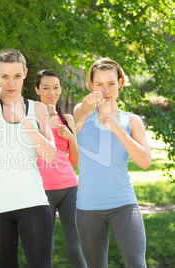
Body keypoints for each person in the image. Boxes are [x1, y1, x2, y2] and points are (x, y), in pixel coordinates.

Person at [0, 49, 56, 268]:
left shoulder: (38, 108)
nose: (11, 83)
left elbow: (49, 154)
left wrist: (24, 120)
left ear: (26, 73)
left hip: (33, 203)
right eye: (4, 77)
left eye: (17, 76)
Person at [74, 58, 151, 268]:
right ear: (91, 86)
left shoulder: (132, 120)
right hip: (88, 208)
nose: (105, 89)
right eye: (99, 84)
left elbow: (145, 162)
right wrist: (91, 104)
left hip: (124, 205)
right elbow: (81, 110)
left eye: (110, 83)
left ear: (120, 83)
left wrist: (117, 129)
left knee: (137, 264)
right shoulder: (81, 115)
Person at [35, 70, 87, 268]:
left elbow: (74, 161)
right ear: (37, 89)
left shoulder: (67, 119)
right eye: (46, 87)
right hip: (41, 191)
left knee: (76, 248)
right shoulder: (30, 119)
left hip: (69, 188)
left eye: (56, 87)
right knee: (43, 250)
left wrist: (71, 138)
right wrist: (45, 127)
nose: (51, 92)